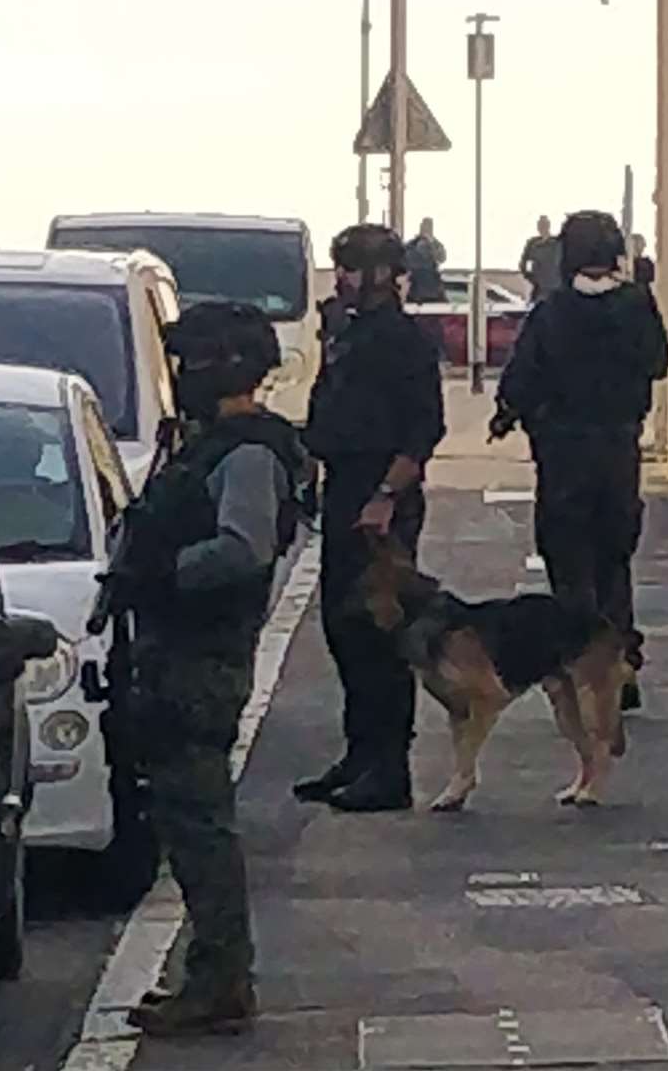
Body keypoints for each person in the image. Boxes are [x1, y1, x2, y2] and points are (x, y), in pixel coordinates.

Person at [99, 302, 310, 1036]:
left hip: (200, 661)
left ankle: (221, 978)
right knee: (185, 822)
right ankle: (215, 974)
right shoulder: (209, 446)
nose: (180, 379)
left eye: (191, 365)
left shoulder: (246, 453)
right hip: (177, 654)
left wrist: (162, 575)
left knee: (199, 826)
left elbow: (243, 550)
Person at [295, 224, 446, 812]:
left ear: (383, 274)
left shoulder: (404, 342)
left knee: (380, 631)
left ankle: (390, 769)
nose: (343, 279)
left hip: (381, 497)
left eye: (352, 268)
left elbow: (421, 430)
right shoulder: (348, 333)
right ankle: (359, 755)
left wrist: (386, 494)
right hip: (344, 489)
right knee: (342, 627)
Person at [490, 210, 668, 702]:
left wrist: (508, 415)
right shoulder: (637, 306)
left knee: (569, 566)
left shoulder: (552, 312)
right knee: (615, 561)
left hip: (563, 454)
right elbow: (658, 362)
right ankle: (622, 667)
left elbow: (522, 379)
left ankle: (583, 671)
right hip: (617, 450)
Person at [404, 217, 448, 304]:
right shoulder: (411, 245)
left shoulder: (434, 245)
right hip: (419, 290)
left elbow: (441, 258)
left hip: (427, 290)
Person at [519, 215, 562, 303]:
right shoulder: (532, 243)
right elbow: (523, 264)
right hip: (540, 288)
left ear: (548, 226)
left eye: (544, 224)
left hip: (555, 286)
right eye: (540, 225)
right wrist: (533, 278)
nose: (542, 227)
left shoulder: (557, 243)